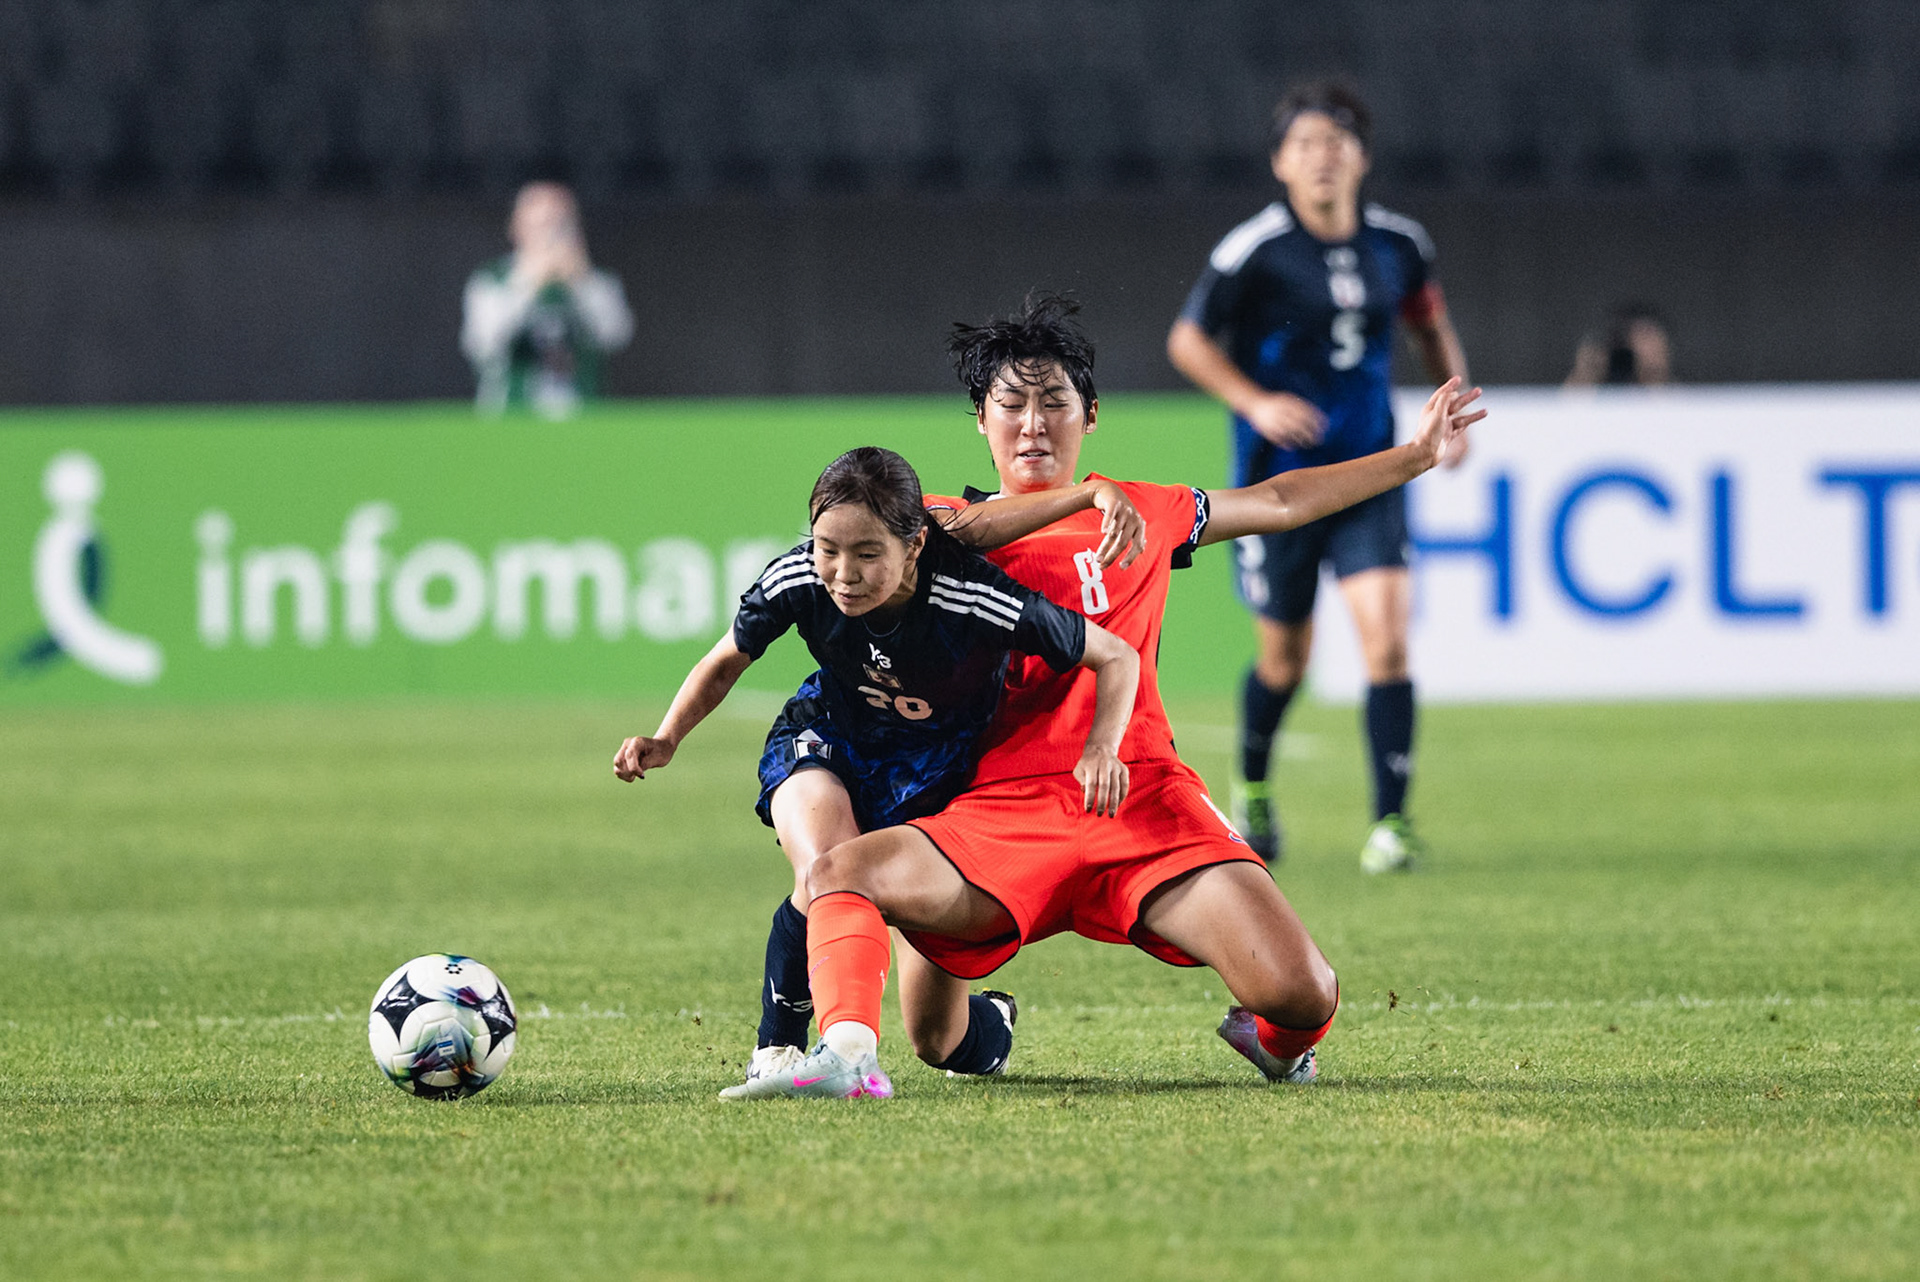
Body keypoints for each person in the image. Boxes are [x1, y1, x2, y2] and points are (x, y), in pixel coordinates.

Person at [722, 294, 1482, 1101]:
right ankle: (888, 1047)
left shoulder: (1146, 511)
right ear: (980, 419)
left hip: (1140, 801)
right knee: (935, 1032)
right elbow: (887, 564)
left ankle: (1264, 1037)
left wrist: (1412, 458)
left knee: (1304, 995)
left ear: (1092, 413)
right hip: (990, 812)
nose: (1034, 424)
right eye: (1010, 405)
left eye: (1055, 403)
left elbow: (1282, 502)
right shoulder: (935, 533)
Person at [614, 446, 1146, 1100]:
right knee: (825, 870)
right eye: (827, 548)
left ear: (915, 545)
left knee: (937, 1037)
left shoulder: (974, 597)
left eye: (867, 554)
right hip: (830, 733)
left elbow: (1116, 656)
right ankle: (785, 1050)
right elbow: (727, 659)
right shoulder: (797, 579)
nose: (843, 573)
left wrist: (1102, 747)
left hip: (936, 776)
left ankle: (989, 1027)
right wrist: (666, 737)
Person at [1166, 80, 1472, 872]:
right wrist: (1256, 401)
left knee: (1388, 644)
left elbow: (1430, 324)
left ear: (1362, 157)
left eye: (1336, 144)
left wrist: (1454, 408)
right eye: (1305, 146)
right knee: (1285, 662)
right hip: (1279, 492)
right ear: (1280, 163)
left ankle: (1390, 825)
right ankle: (1256, 789)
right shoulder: (1255, 249)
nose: (1322, 159)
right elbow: (1189, 342)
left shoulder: (1400, 244)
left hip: (1367, 474)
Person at [461, 182, 634, 419]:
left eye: (560, 224)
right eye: (541, 225)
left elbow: (615, 335)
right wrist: (528, 283)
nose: (551, 234)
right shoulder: (492, 279)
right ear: (516, 228)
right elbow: (483, 343)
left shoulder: (596, 280)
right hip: (511, 415)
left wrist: (581, 282)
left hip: (581, 414)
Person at [1565, 303, 1672, 387]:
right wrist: (1585, 374)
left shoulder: (1678, 397)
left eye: (1647, 335)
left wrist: (1654, 375)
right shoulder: (1600, 394)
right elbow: (1567, 409)